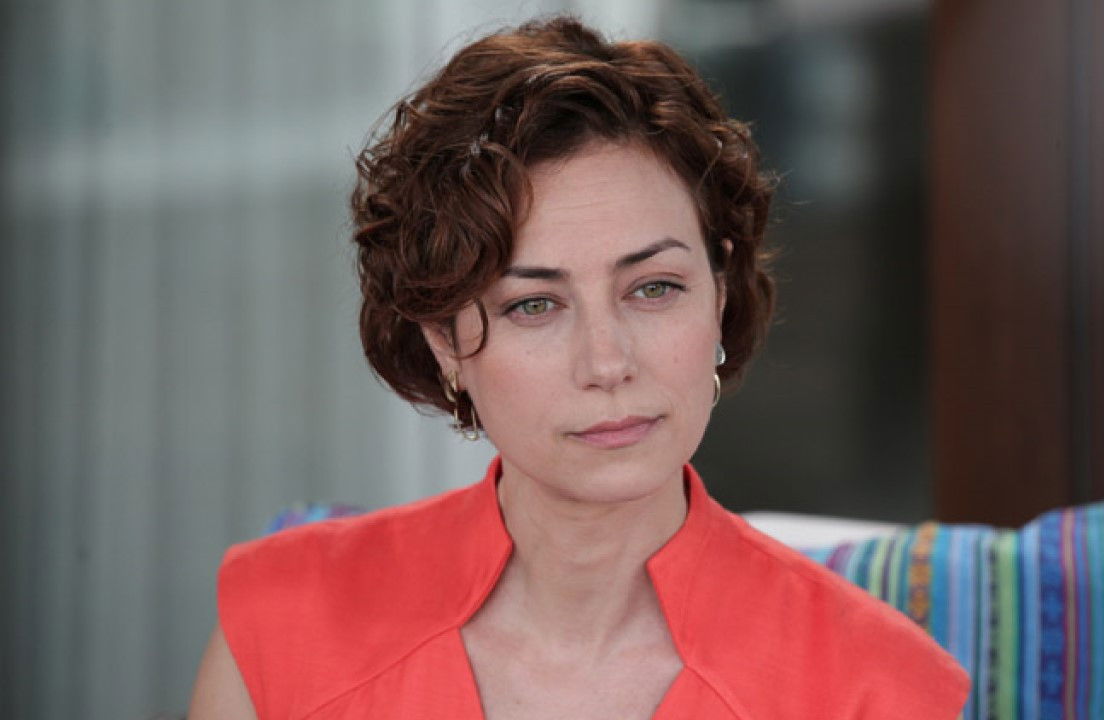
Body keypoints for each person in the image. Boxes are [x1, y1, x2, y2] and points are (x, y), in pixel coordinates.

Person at [188, 15, 969, 719]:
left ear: (720, 294)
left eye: (654, 288)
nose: (607, 362)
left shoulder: (882, 687)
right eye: (535, 304)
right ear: (445, 342)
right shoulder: (281, 620)